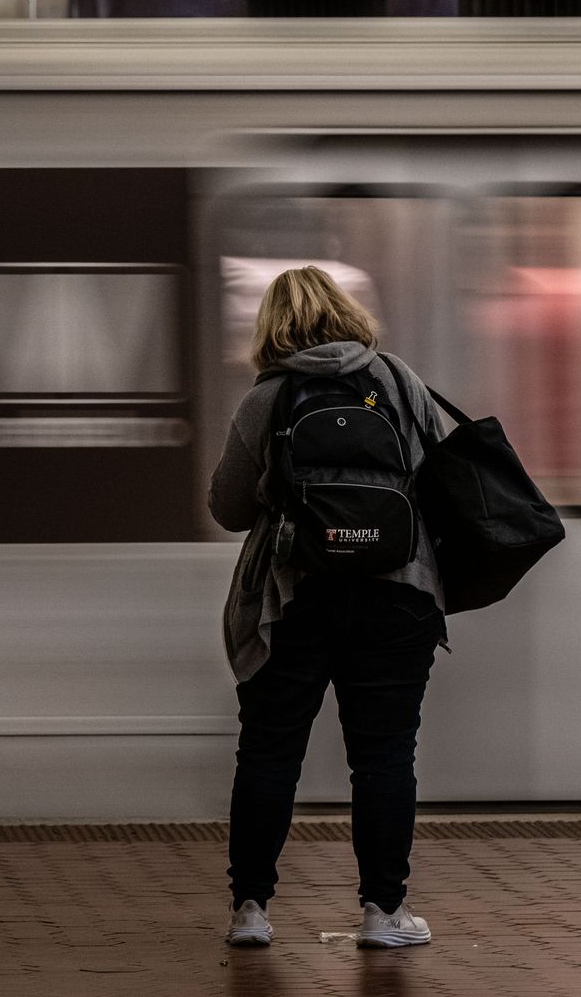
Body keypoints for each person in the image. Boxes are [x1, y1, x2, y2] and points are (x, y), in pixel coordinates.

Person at [209, 265, 447, 949]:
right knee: (383, 755)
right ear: (348, 313)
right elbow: (439, 479)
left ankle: (250, 911)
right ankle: (384, 914)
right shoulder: (400, 381)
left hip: (291, 598)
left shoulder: (269, 397)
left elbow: (228, 508)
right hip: (397, 594)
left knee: (268, 752)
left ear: (271, 327)